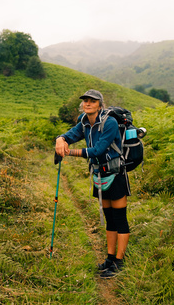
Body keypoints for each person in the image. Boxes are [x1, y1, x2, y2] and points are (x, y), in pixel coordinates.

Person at [55, 89, 131, 278]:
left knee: (119, 218)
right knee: (109, 218)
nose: (88, 103)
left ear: (100, 104)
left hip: (116, 174)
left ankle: (119, 263)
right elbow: (71, 135)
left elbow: (97, 150)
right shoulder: (84, 122)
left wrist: (68, 152)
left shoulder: (110, 122)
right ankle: (110, 258)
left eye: (92, 101)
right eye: (85, 101)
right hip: (99, 175)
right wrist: (60, 139)